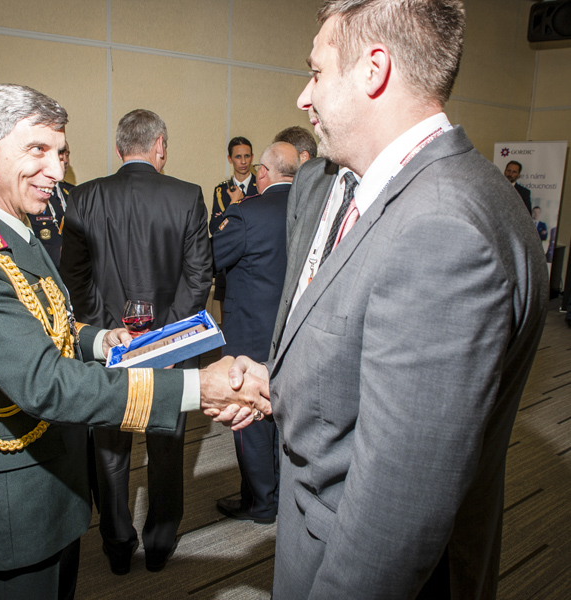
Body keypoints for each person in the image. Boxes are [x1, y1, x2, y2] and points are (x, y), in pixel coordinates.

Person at [229, 2, 548, 598]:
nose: (303, 95)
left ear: (374, 70)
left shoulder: (443, 230)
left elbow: (396, 517)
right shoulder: (355, 184)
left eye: (317, 72)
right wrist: (283, 382)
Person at [0, 83, 269, 600]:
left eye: (59, 152)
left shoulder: (14, 231)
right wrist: (199, 384)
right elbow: (47, 384)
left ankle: (117, 540)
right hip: (16, 503)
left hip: (54, 487)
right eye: (37, 150)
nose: (56, 170)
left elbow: (53, 316)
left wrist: (104, 339)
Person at [60, 109, 212, 575]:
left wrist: (108, 334)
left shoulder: (83, 197)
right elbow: (198, 278)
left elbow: (75, 279)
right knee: (166, 446)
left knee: (109, 451)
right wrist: (167, 342)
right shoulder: (187, 195)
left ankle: (117, 544)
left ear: (119, 148)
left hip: (110, 346)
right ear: (159, 145)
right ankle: (160, 543)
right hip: (170, 351)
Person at [211, 142, 299, 523]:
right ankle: (282, 493)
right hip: (294, 331)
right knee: (282, 416)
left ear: (263, 173)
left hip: (249, 333)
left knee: (249, 419)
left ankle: (261, 502)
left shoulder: (246, 212)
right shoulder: (311, 210)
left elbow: (211, 258)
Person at [210, 137, 258, 315]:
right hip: (228, 262)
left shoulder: (261, 186)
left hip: (253, 260)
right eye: (238, 157)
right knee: (227, 316)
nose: (243, 161)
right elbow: (215, 228)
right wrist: (233, 204)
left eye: (247, 156)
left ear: (252, 157)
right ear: (230, 159)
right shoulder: (221, 190)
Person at [27, 141, 74, 268]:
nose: (65, 160)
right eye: (60, 154)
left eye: (67, 155)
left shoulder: (74, 193)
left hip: (74, 271)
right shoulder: (30, 193)